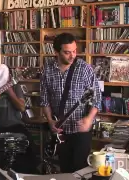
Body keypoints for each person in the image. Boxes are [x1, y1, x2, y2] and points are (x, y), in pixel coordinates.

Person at [40, 33, 102, 173]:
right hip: (60, 133)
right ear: (56, 52)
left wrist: (88, 118)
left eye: (74, 51)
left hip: (80, 131)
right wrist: (50, 121)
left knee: (81, 171)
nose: (72, 55)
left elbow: (97, 98)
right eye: (67, 52)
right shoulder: (47, 70)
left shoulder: (84, 69)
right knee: (65, 171)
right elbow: (44, 100)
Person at [0, 70, 39, 174]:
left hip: (16, 126)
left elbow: (21, 107)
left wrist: (10, 92)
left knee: (28, 146)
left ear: (10, 77)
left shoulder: (16, 88)